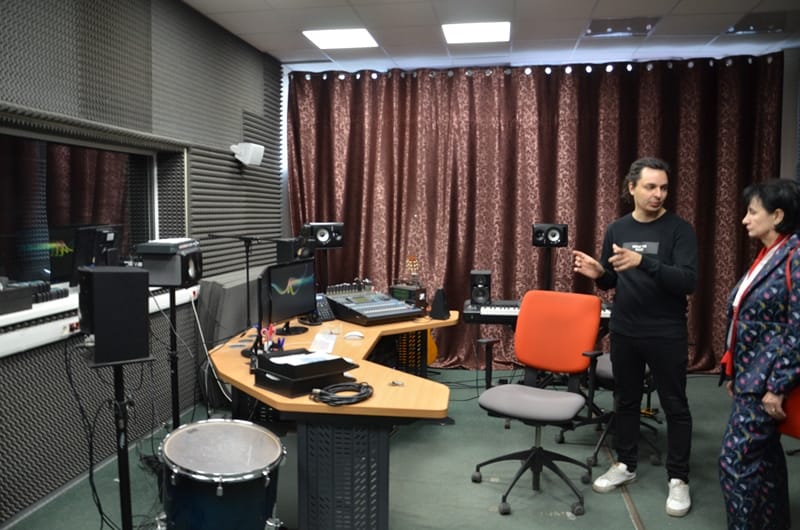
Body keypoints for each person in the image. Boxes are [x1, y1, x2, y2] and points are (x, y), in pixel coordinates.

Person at [572, 157, 697, 517]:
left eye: (664, 187)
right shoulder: (617, 229)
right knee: (625, 400)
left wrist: (644, 262)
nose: (658, 194)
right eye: (650, 187)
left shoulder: (679, 230)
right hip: (625, 329)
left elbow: (687, 281)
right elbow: (613, 279)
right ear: (632, 188)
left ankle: (678, 478)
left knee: (675, 405)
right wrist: (599, 273)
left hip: (666, 331)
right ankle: (625, 464)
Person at [718, 178, 800, 530]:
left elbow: (798, 327)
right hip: (750, 375)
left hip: (767, 380)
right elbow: (747, 318)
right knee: (764, 461)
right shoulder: (770, 254)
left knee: (734, 462)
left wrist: (778, 385)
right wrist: (734, 371)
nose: (745, 219)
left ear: (777, 215)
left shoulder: (795, 257)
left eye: (753, 212)